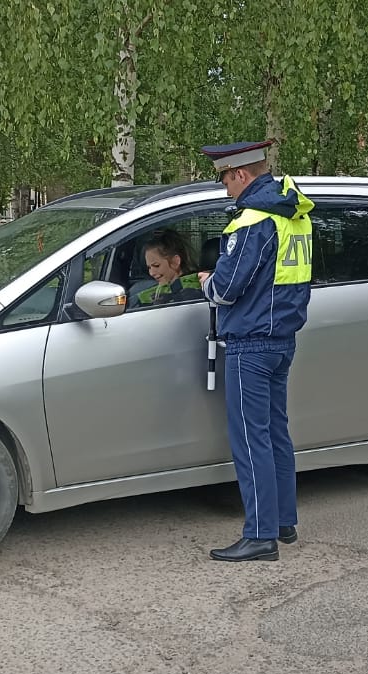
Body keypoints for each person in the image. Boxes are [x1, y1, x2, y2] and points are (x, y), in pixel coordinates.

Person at [195, 140, 314, 563]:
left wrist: (206, 280)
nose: (225, 189)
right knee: (275, 433)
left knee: (250, 439)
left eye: (225, 180)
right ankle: (283, 522)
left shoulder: (253, 220)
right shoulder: (295, 215)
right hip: (282, 338)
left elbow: (227, 289)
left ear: (241, 174)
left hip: (251, 342)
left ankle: (260, 535)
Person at [135, 230, 204, 306]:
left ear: (175, 261)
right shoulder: (162, 291)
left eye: (156, 265)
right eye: (149, 267)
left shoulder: (192, 293)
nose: (151, 273)